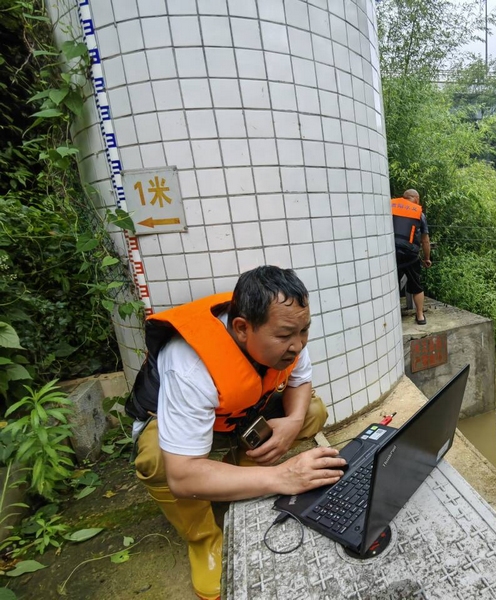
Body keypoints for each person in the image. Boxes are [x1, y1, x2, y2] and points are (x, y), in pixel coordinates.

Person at [125, 266, 346, 600]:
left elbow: (300, 381)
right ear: (242, 328)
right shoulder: (190, 366)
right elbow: (181, 476)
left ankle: (240, 468)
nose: (298, 344)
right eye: (286, 336)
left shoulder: (287, 330)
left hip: (239, 416)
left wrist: (293, 421)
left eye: (304, 331)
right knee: (156, 460)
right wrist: (281, 477)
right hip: (185, 427)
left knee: (313, 412)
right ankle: (204, 541)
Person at [391, 188, 432, 325]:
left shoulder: (390, 206)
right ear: (416, 198)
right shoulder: (418, 213)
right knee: (416, 284)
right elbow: (425, 240)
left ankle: (390, 314)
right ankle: (420, 315)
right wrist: (427, 258)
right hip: (410, 255)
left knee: (390, 285)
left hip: (391, 253)